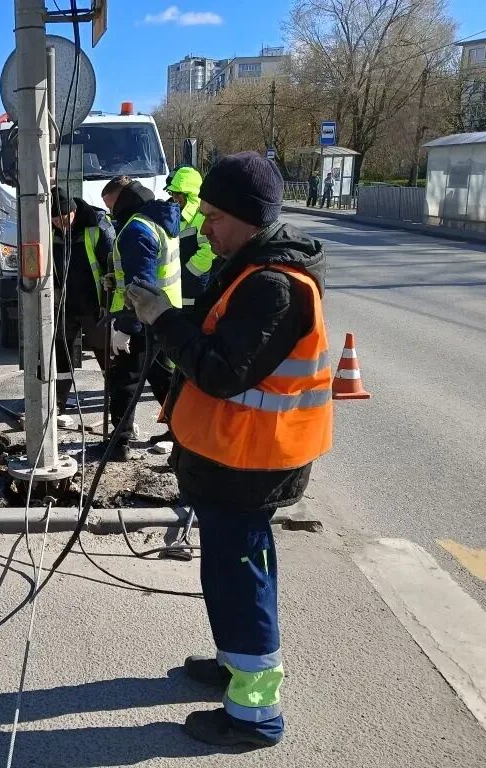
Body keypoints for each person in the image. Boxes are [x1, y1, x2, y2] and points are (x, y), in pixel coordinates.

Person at [125, 151, 332, 750]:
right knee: (227, 571)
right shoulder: (247, 268)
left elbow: (220, 371)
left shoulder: (272, 286)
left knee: (241, 578)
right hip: (232, 458)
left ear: (246, 217)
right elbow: (215, 334)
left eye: (214, 216)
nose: (204, 227)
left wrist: (163, 319)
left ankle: (254, 715)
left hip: (252, 463)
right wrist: (170, 317)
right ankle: (233, 663)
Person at [98, 176, 184, 460]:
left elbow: (141, 285)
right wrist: (116, 278)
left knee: (125, 380)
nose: (109, 211)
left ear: (121, 198)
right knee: (162, 378)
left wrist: (126, 327)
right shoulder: (159, 220)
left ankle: (119, 443)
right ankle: (182, 433)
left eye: (110, 204)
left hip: (143, 319)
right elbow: (151, 270)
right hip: (165, 314)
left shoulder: (136, 229)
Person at [50, 187, 115, 412]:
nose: (60, 224)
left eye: (64, 218)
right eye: (55, 220)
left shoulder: (97, 226)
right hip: (65, 305)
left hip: (94, 304)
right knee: (62, 354)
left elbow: (112, 266)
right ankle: (58, 403)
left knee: (105, 352)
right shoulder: (50, 230)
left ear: (74, 211)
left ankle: (116, 399)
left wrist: (108, 304)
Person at [164, 166, 218, 300]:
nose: (174, 197)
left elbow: (208, 252)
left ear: (190, 193)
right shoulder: (180, 215)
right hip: (181, 285)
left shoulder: (201, 217)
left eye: (178, 193)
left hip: (195, 285)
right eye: (172, 193)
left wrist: (186, 273)